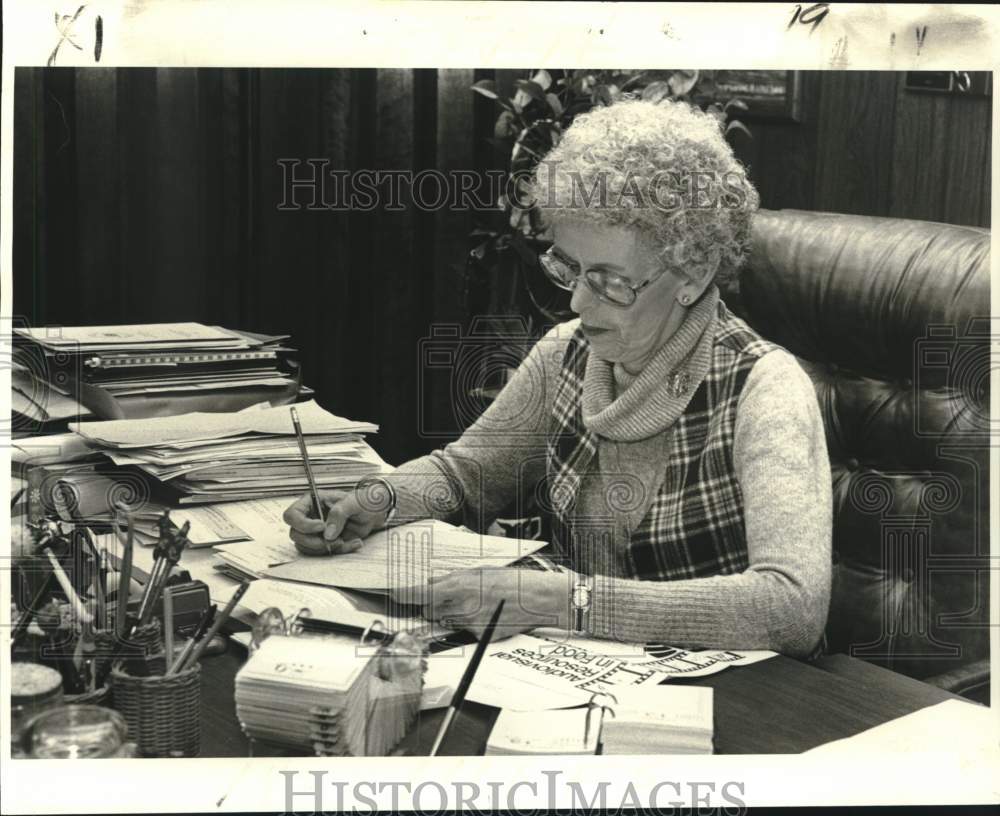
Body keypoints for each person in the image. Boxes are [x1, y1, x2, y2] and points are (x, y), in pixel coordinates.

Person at [285, 99, 832, 656]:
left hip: (740, 698)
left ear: (692, 273)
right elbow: (466, 475)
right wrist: (377, 499)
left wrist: (562, 601)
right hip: (582, 675)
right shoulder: (568, 354)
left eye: (609, 280)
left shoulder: (765, 390)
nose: (576, 300)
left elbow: (791, 608)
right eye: (568, 267)